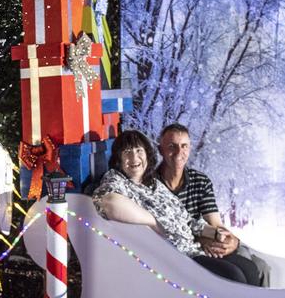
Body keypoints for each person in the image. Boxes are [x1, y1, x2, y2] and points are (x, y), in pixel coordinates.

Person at [93, 130, 243, 276]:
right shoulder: (117, 180)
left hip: (192, 248)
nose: (134, 158)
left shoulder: (154, 184)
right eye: (127, 152)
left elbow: (186, 220)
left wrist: (214, 233)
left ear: (147, 154)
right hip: (174, 258)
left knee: (249, 269)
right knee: (233, 275)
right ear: (118, 159)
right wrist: (154, 222)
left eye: (139, 151)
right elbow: (109, 202)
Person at [155, 123, 262, 287]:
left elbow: (216, 224)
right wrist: (198, 239)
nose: (179, 152)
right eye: (171, 146)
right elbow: (161, 232)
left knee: (251, 269)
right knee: (234, 275)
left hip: (203, 242)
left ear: (190, 148)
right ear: (160, 149)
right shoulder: (151, 184)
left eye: (184, 146)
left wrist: (232, 241)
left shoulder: (200, 181)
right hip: (175, 250)